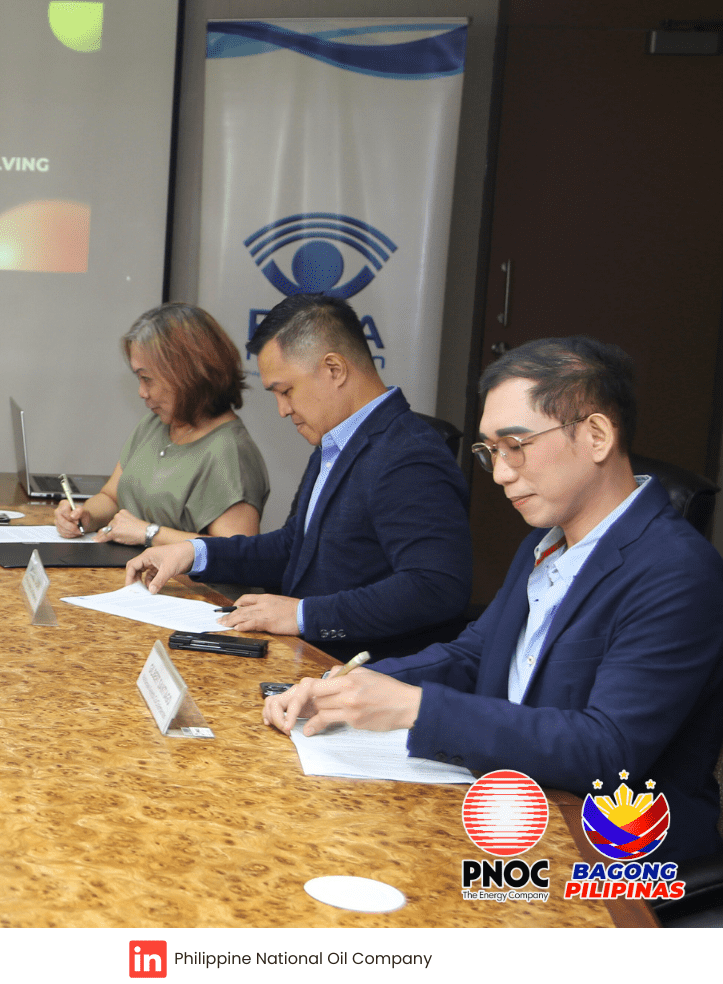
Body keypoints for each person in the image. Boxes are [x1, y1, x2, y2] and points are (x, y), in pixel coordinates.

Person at [264, 338, 723, 862]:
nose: (501, 473)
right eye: (491, 452)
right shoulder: (544, 543)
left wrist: (417, 708)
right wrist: (347, 686)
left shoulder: (677, 571)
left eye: (516, 445)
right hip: (513, 808)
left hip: (610, 854)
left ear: (596, 435)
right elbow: (474, 654)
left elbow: (607, 750)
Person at [122, 293, 470, 661]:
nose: (283, 409)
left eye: (286, 391)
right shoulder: (336, 440)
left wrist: (303, 615)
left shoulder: (409, 454)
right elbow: (294, 548)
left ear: (334, 369)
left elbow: (436, 587)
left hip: (356, 671)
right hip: (301, 656)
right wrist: (194, 552)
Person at [54, 303, 270, 546]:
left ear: (188, 373)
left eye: (147, 379)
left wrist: (149, 533)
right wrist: (85, 515)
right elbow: (112, 497)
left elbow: (235, 553)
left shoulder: (230, 452)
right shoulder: (155, 425)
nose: (141, 392)